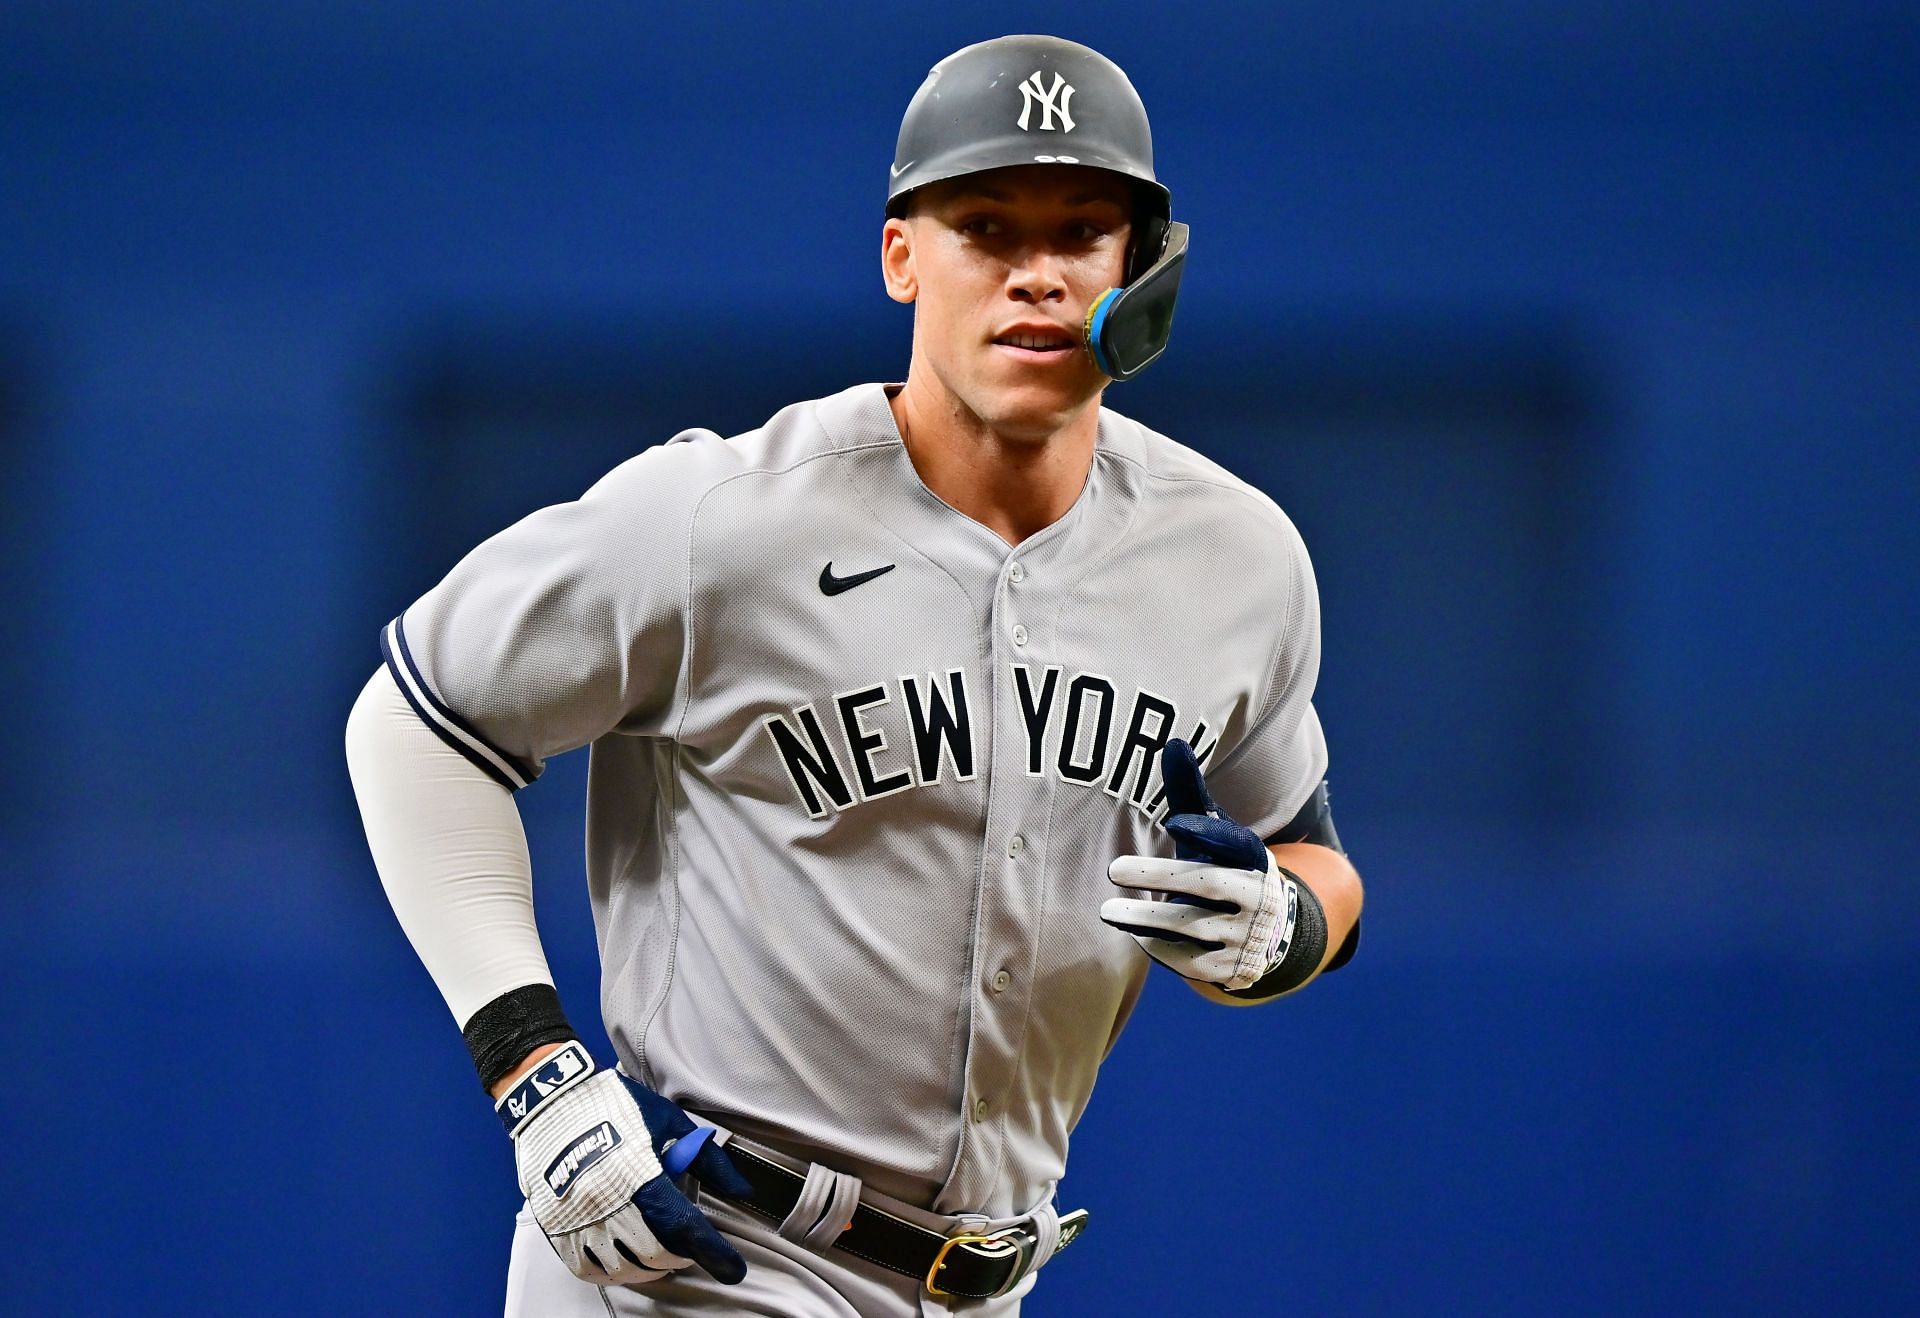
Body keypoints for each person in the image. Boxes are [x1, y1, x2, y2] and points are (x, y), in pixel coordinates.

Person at [345, 33, 1363, 1317]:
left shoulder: (1236, 557)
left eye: (1082, 232)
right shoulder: (723, 516)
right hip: (697, 1248)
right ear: (901, 256)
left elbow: (1314, 855)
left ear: (1141, 269)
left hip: (988, 1279)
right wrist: (534, 1068)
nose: (1037, 276)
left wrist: (1289, 927)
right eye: (985, 227)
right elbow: (415, 719)